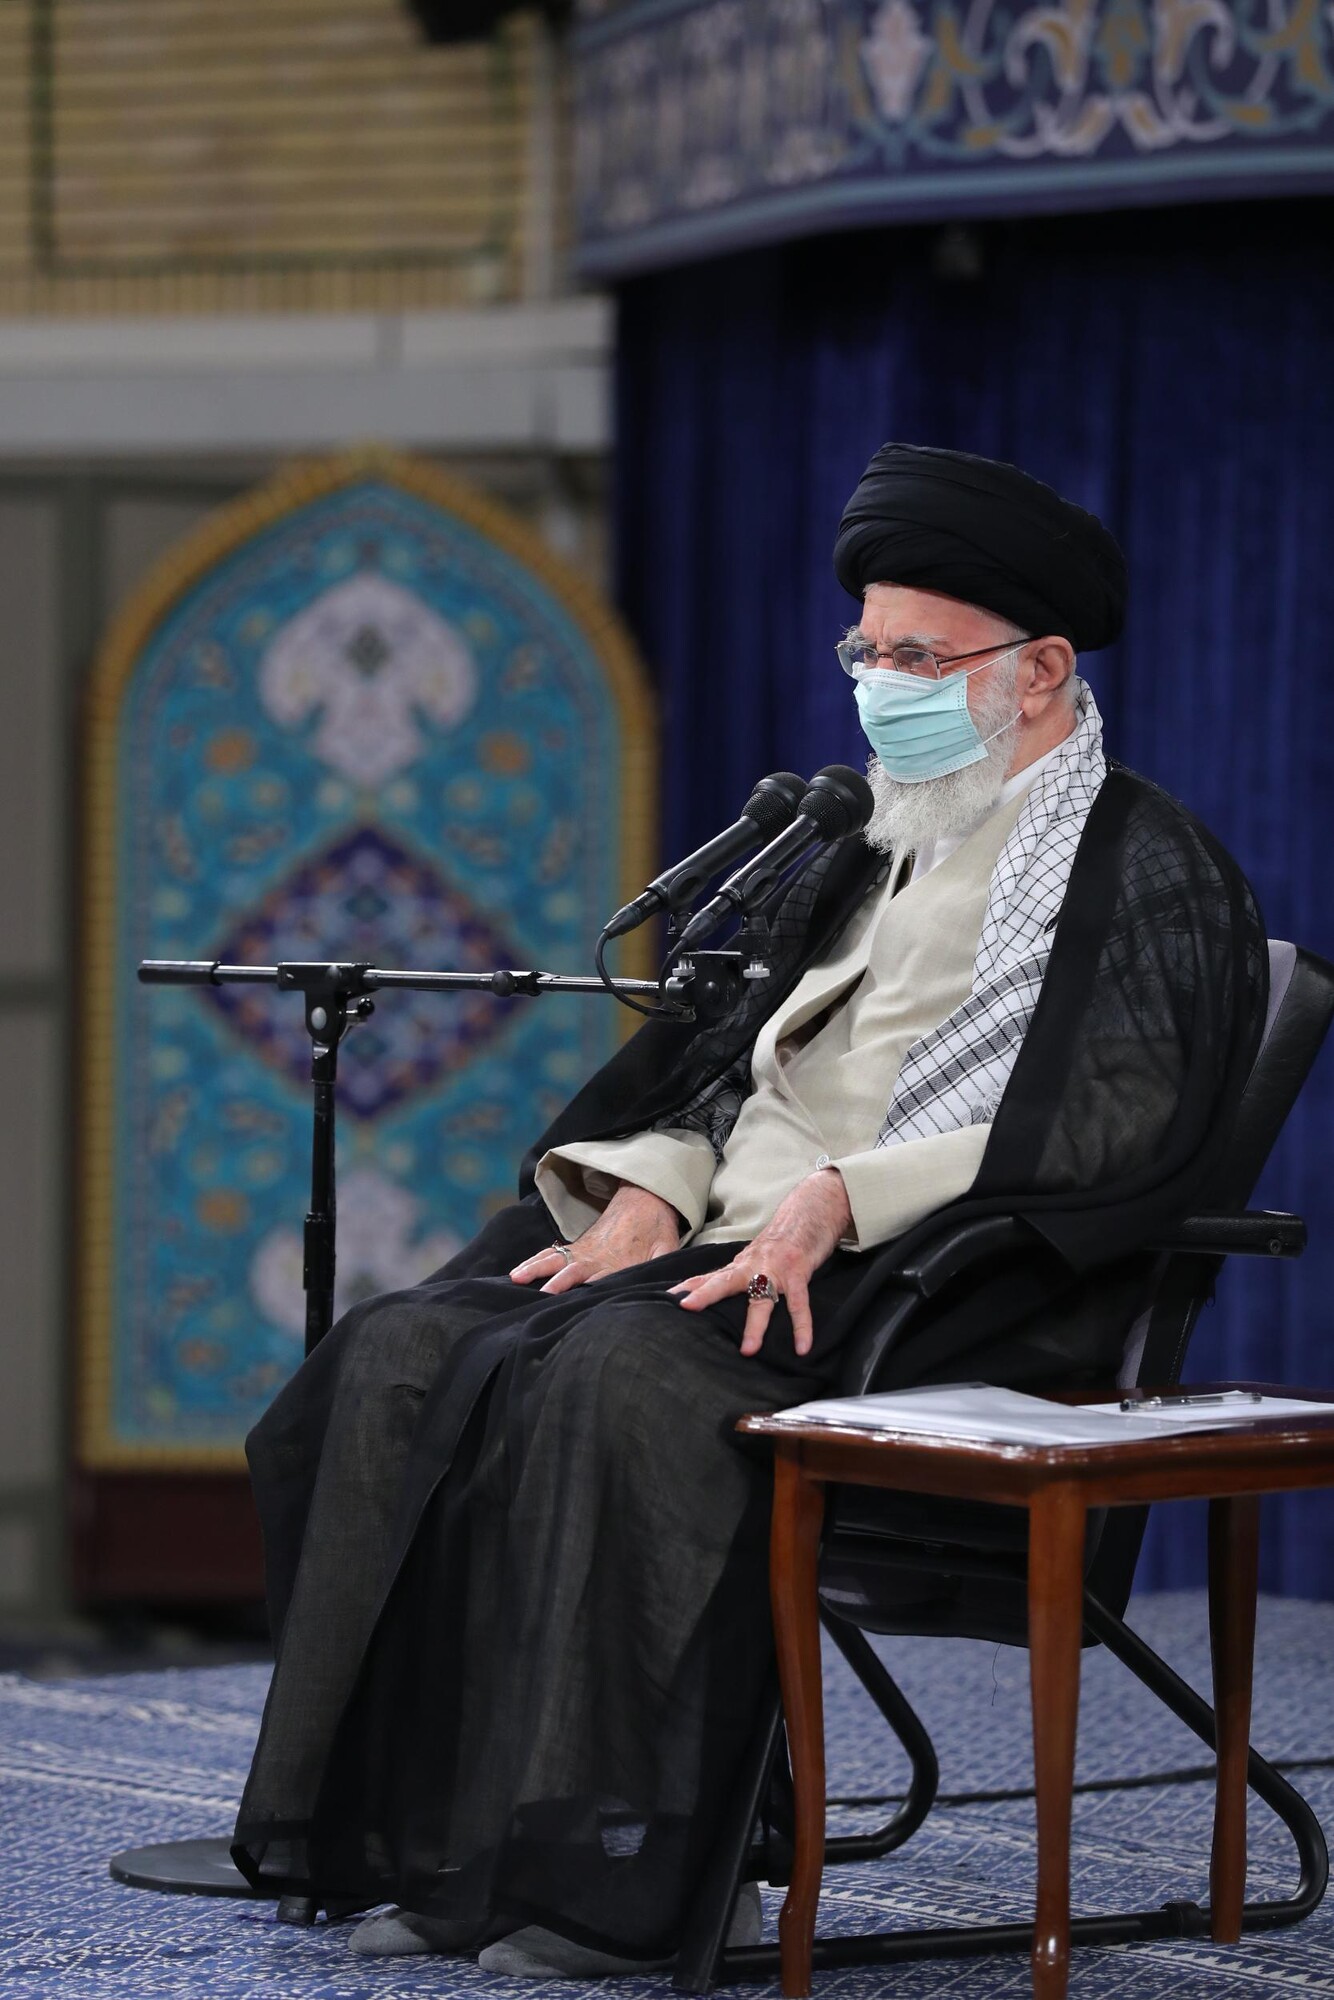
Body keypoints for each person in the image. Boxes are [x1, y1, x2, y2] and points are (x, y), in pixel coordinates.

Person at [230, 444, 1266, 1975]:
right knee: (397, 1356)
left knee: (614, 1373)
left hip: (939, 1279)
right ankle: (426, 1846)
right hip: (733, 1244)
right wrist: (649, 1190)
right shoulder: (855, 840)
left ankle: (630, 1875)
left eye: (920, 658)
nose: (881, 686)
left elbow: (1112, 1122)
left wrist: (843, 1195)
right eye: (867, 652)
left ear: (1040, 670)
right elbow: (716, 1062)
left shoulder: (1139, 867)